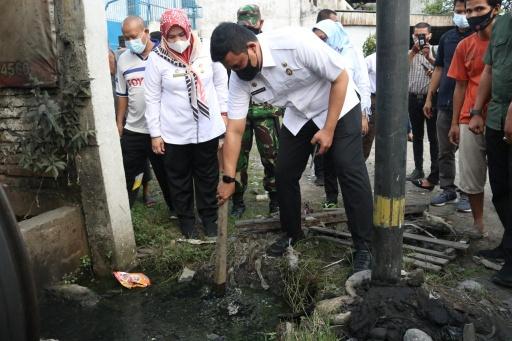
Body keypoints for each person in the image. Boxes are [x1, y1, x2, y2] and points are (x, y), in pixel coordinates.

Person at [211, 23, 373, 273]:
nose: (236, 72)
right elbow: (234, 129)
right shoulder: (239, 77)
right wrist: (229, 177)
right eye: (230, 68)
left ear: (252, 47)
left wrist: (328, 130)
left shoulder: (294, 42)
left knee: (347, 167)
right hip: (300, 113)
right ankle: (292, 232)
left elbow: (341, 78)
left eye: (238, 65)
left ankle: (364, 246)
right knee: (284, 171)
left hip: (337, 104)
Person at [145, 9, 228, 238]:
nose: (177, 41)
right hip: (174, 131)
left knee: (207, 175)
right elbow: (151, 97)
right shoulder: (157, 58)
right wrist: (155, 134)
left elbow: (221, 83)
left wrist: (223, 113)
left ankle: (209, 218)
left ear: (188, 30)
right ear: (163, 36)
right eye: (171, 37)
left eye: (180, 34)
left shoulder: (206, 52)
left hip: (206, 128)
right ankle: (187, 222)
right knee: (179, 178)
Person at [447, 0, 500, 238]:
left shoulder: (505, 42)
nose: (472, 15)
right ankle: (478, 223)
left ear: (495, 9)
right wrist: (455, 122)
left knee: (503, 177)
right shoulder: (464, 45)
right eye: (469, 11)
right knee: (471, 175)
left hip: (502, 117)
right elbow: (460, 85)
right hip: (470, 118)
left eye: (479, 9)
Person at [115, 16, 173, 211]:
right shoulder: (123, 59)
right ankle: (128, 207)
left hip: (160, 130)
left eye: (134, 36)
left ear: (146, 33)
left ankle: (175, 208)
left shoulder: (164, 54)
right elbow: (122, 94)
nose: (131, 41)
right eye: (126, 37)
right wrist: (119, 122)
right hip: (134, 129)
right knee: (133, 172)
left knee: (166, 173)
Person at [313, 19, 372, 208]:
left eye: (323, 38)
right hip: (325, 111)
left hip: (349, 111)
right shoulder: (315, 56)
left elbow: (362, 83)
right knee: (327, 157)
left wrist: (364, 115)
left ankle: (355, 204)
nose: (320, 43)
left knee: (349, 161)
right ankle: (331, 197)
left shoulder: (351, 52)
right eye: (316, 39)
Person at [471, 8, 511, 287]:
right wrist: (476, 110)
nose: (472, 14)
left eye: (478, 9)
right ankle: (508, 247)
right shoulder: (502, 25)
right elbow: (489, 70)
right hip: (497, 119)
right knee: (501, 190)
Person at [420, 0, 472, 210]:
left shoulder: (478, 37)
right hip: (445, 101)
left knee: (470, 152)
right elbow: (439, 69)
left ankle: (469, 193)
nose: (461, 15)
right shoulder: (447, 39)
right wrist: (430, 97)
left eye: (464, 11)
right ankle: (448, 189)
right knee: (444, 150)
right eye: (457, 11)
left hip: (471, 104)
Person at [230, 4, 280, 218]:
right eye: (244, 27)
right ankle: (238, 202)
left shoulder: (268, 48)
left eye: (253, 26)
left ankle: (276, 201)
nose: (249, 31)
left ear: (261, 24)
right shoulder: (232, 49)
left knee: (272, 159)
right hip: (240, 116)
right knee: (239, 160)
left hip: (267, 115)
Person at [407, 22, 439, 186]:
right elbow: (399, 69)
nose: (420, 38)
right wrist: (413, 53)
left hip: (432, 99)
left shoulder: (436, 50)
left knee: (434, 138)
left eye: (423, 35)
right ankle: (418, 168)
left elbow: (444, 70)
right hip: (413, 98)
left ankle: (435, 172)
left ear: (430, 36)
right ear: (413, 36)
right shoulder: (409, 53)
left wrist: (430, 59)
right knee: (417, 136)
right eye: (417, 35)